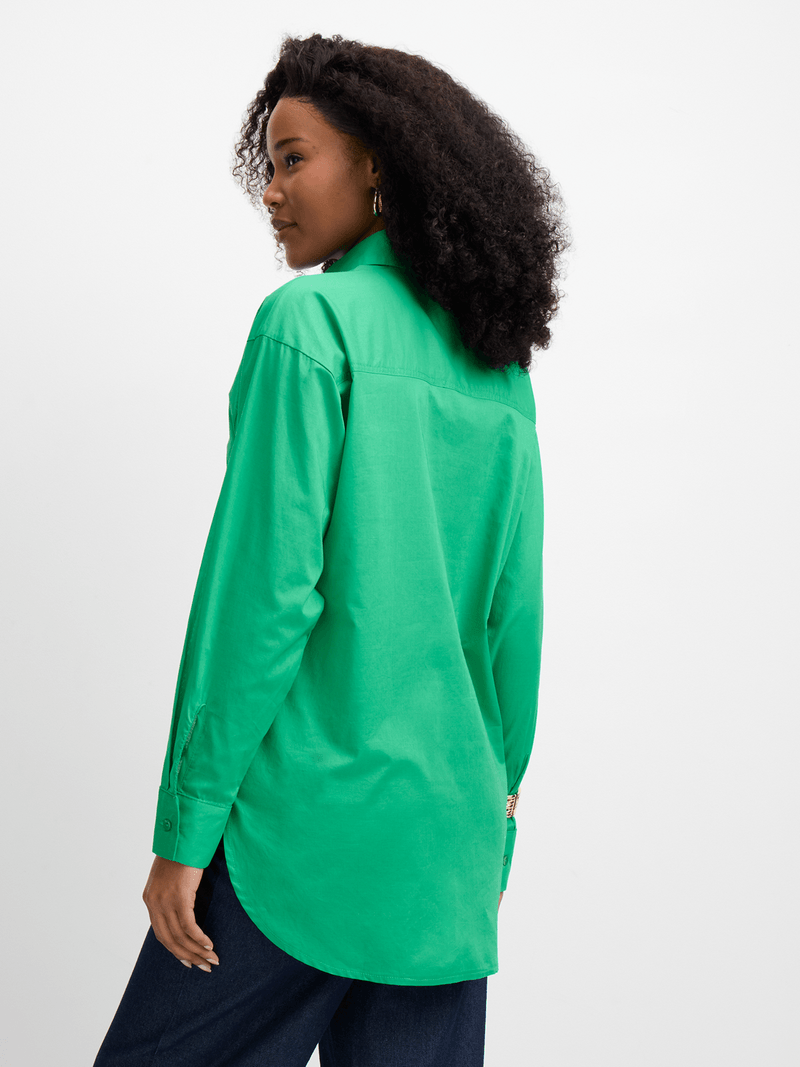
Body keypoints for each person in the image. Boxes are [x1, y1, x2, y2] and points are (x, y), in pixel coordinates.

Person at [92, 31, 570, 1067]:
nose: (271, 191)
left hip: (302, 836)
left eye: (294, 158)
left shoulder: (307, 325)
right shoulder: (498, 373)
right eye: (267, 166)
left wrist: (185, 830)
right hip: (443, 852)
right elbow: (514, 618)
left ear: (378, 164)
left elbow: (262, 601)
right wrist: (494, 822)